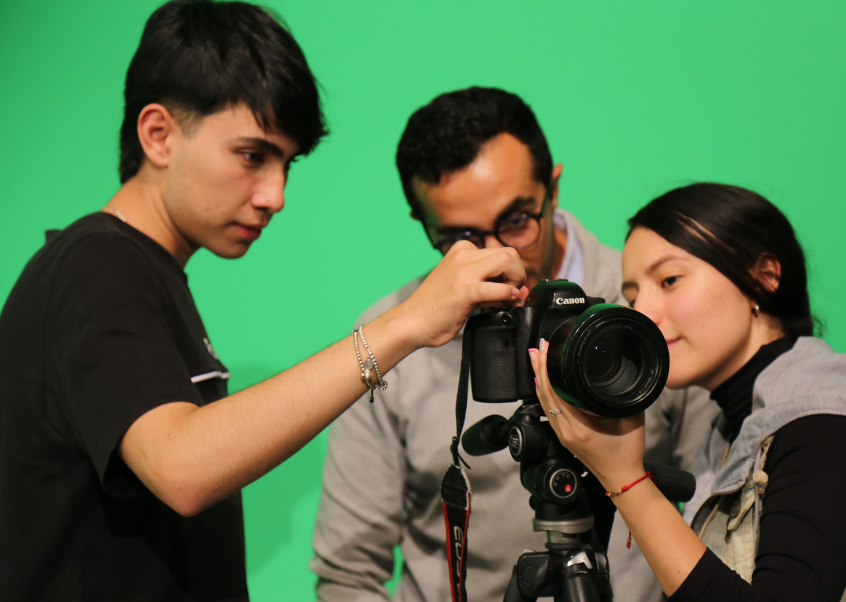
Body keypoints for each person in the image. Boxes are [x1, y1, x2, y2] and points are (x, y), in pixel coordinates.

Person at [0, 4, 530, 601]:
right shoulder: (96, 266)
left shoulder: (140, 271)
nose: (275, 196)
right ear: (159, 134)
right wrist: (405, 324)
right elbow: (182, 467)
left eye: (286, 162)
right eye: (252, 155)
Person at [310, 87, 717, 602]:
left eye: (517, 221)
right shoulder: (389, 338)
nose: (496, 255)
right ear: (424, 224)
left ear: (554, 188)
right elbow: (348, 572)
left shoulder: (648, 302)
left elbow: (715, 513)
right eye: (460, 237)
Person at [528, 183, 846, 601]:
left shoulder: (832, 426)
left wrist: (626, 477)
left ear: (765, 276)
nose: (644, 313)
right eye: (633, 295)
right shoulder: (735, 432)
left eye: (670, 280)